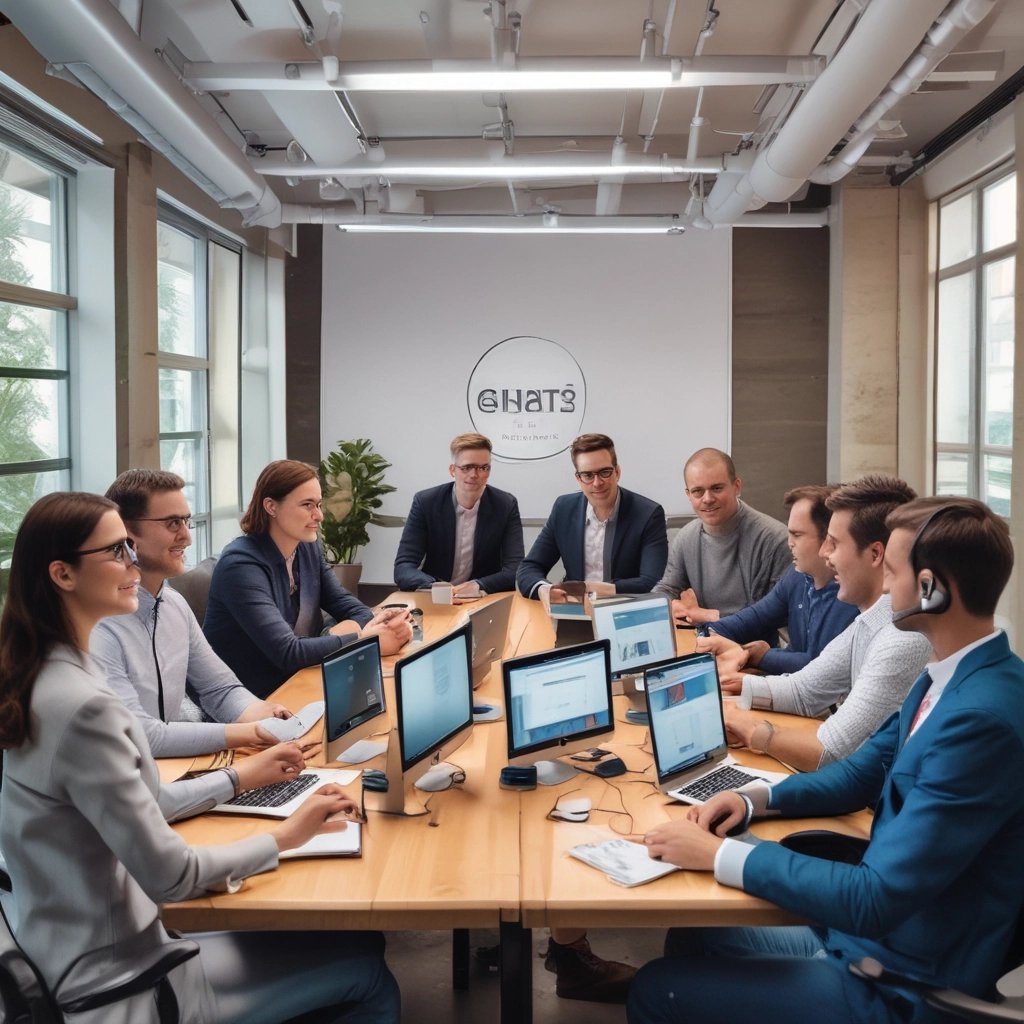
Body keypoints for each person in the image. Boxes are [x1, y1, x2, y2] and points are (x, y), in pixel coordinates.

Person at [0, 491, 401, 1023]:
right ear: (62, 574)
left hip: (91, 953)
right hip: (123, 986)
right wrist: (289, 835)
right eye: (117, 551)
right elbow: (173, 876)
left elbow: (145, 800)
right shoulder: (83, 707)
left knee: (360, 941)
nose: (133, 562)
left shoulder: (49, 671)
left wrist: (240, 778)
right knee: (369, 972)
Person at [629, 496, 1023, 1024]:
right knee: (695, 932)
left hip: (899, 983)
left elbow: (874, 898)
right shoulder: (948, 674)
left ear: (931, 589)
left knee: (655, 989)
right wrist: (751, 800)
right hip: (874, 942)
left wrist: (718, 854)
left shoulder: (980, 720)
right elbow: (860, 773)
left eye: (894, 573)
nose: (886, 587)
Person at [723, 474, 932, 771]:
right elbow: (803, 691)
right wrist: (728, 691)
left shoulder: (901, 638)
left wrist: (750, 729)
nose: (824, 554)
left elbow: (831, 751)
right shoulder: (871, 619)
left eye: (833, 543)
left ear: (875, 553)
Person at [92, 469, 295, 757]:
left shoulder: (174, 604)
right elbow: (141, 736)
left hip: (174, 767)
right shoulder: (97, 625)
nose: (187, 537)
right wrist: (249, 733)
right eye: (172, 523)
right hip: (133, 773)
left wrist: (266, 715)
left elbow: (221, 690)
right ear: (126, 531)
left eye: (186, 522)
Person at [204, 460, 413, 699]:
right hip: (249, 697)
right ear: (271, 506)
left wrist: (355, 630)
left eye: (319, 504)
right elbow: (288, 652)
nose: (319, 515)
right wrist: (366, 640)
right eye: (307, 505)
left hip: (298, 678)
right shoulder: (241, 566)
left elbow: (351, 607)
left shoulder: (306, 547)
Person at [696, 485, 859, 685]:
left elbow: (819, 667)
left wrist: (758, 655)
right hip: (791, 691)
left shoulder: (851, 594)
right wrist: (710, 637)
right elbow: (754, 617)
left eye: (797, 535)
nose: (789, 543)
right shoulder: (798, 577)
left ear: (829, 538)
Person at [517, 433, 668, 602]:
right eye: (588, 475)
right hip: (575, 608)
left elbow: (654, 581)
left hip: (625, 607)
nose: (597, 483)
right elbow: (529, 568)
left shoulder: (648, 514)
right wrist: (544, 590)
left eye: (605, 472)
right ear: (578, 478)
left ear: (617, 472)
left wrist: (596, 589)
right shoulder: (564, 509)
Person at [653, 448, 791, 630]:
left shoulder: (774, 540)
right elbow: (668, 588)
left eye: (717, 488)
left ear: (737, 486)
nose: (708, 499)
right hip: (704, 640)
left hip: (754, 644)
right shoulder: (686, 538)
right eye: (697, 491)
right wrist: (667, 605)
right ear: (688, 495)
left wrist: (709, 616)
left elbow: (778, 613)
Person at [393, 432, 523, 599]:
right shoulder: (426, 502)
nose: (474, 474)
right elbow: (403, 567)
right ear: (452, 470)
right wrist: (439, 587)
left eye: (483, 468)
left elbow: (516, 569)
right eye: (467, 467)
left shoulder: (505, 505)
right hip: (434, 597)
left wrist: (478, 585)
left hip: (482, 597)